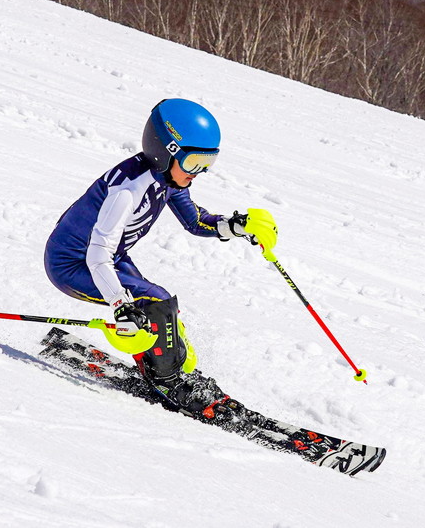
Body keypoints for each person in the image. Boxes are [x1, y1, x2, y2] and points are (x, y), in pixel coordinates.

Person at [43, 98, 278, 419]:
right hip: (73, 264)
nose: (200, 172)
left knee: (164, 316)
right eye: (195, 162)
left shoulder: (168, 179)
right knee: (156, 301)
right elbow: (98, 255)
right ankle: (169, 382)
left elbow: (196, 221)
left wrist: (235, 226)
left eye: (208, 163)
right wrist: (119, 304)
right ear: (166, 150)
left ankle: (160, 364)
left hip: (111, 258)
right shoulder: (128, 189)